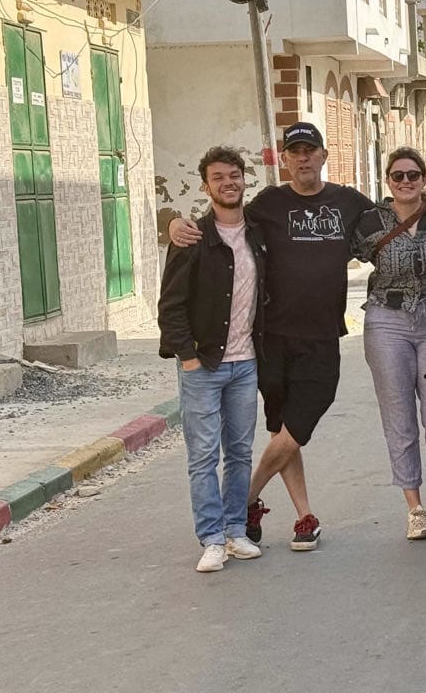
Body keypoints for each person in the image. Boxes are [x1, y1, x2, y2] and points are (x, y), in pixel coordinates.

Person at [168, 121, 426, 551]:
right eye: (295, 152)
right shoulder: (268, 203)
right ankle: (304, 517)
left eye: (310, 151)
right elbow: (225, 217)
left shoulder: (348, 202)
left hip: (322, 336)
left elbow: (395, 210)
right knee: (283, 428)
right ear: (285, 160)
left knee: (297, 427)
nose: (303, 158)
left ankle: (243, 499)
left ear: (323, 156)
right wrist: (176, 223)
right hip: (272, 337)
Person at [353, 147, 426, 541]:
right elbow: (330, 251)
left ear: (425, 179)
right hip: (386, 321)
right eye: (398, 176)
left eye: (413, 175)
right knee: (399, 418)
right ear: (388, 180)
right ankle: (415, 507)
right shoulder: (370, 220)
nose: (405, 182)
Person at [158, 147, 265, 572]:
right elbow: (170, 306)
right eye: (218, 177)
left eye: (234, 175)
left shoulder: (258, 233)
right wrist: (187, 357)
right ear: (206, 186)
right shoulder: (192, 238)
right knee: (203, 456)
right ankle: (212, 538)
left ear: (244, 179)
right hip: (203, 365)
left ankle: (236, 530)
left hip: (246, 364)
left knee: (239, 452)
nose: (228, 183)